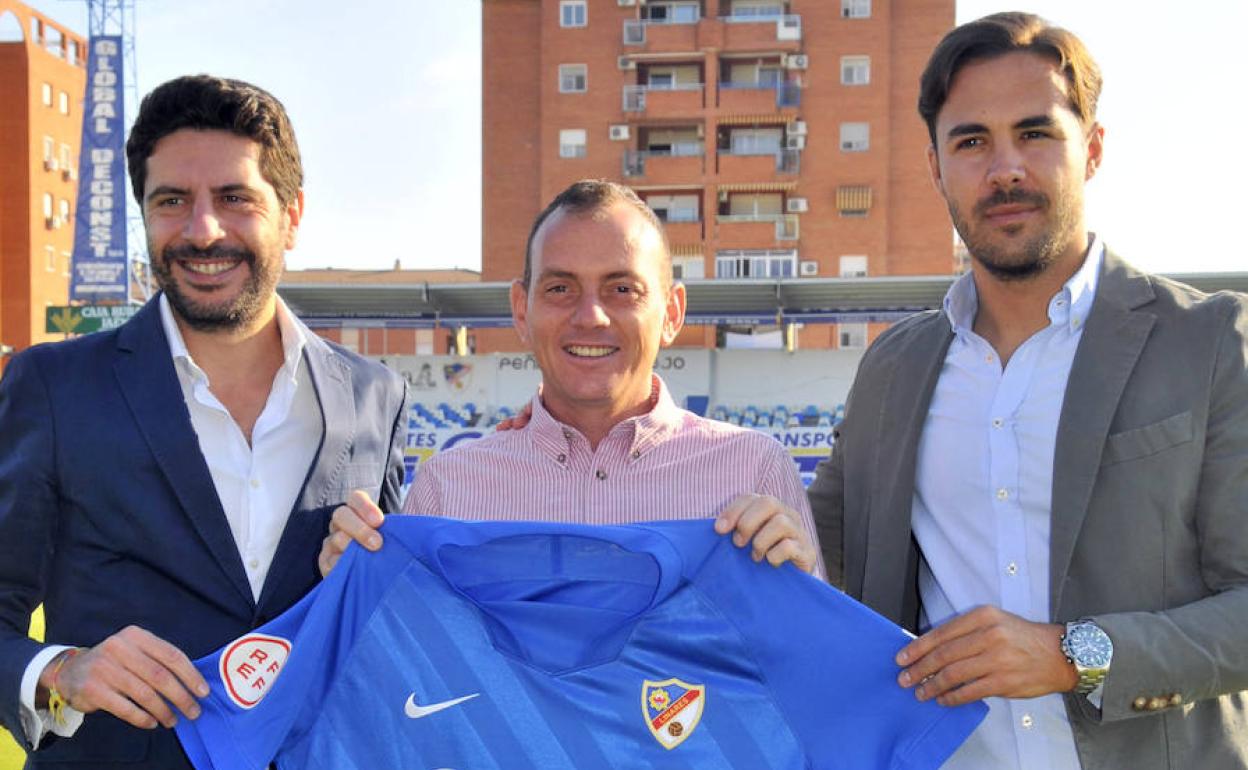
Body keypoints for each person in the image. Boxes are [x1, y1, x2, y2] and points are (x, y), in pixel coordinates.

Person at [808, 11, 1248, 770]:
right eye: (971, 141)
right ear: (935, 168)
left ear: (1094, 149)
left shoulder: (1208, 343)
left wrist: (1076, 655)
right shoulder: (892, 371)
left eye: (1035, 133)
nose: (1004, 168)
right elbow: (816, 560)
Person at [0, 75, 407, 768]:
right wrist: (61, 674)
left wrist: (376, 582)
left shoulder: (376, 396)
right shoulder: (55, 387)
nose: (202, 230)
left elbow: (394, 635)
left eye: (234, 198)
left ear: (292, 214)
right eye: (171, 202)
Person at [319, 179, 823, 579]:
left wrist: (801, 598)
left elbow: (810, 675)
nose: (591, 317)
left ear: (671, 313)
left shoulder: (754, 472)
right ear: (522, 310)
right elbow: (413, 669)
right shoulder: (451, 489)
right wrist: (353, 588)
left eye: (622, 288)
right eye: (560, 288)